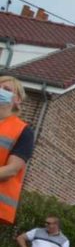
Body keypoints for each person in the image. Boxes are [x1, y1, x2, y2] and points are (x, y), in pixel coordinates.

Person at [0, 75, 34, 226]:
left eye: (6, 89)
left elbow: (12, 170)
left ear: (18, 100)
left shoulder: (23, 130)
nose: (1, 91)